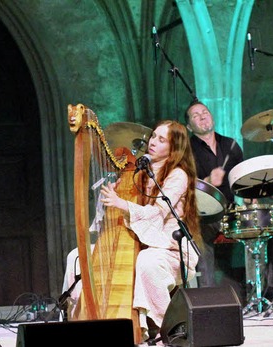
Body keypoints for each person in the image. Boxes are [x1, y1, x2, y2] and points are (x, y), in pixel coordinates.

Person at [99, 120, 201, 342]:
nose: (153, 142)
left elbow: (157, 213)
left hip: (172, 250)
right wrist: (112, 194)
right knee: (76, 258)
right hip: (144, 243)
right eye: (153, 136)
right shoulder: (138, 171)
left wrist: (123, 204)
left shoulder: (178, 176)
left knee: (147, 261)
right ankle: (83, 320)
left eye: (161, 139)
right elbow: (113, 211)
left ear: (173, 149)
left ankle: (169, 328)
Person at [185, 101, 246, 299]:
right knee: (199, 235)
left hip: (230, 210)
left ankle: (259, 293)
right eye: (195, 115)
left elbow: (243, 180)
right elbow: (183, 187)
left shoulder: (231, 145)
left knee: (262, 225)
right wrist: (208, 181)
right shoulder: (186, 151)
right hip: (204, 213)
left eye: (205, 112)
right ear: (188, 126)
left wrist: (250, 201)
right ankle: (209, 298)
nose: (202, 116)